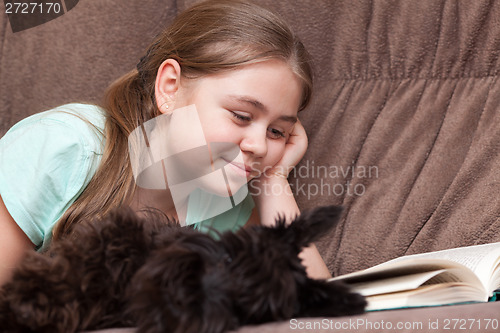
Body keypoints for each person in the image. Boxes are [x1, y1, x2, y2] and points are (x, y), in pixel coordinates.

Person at [0, 0, 331, 286]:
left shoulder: (227, 210)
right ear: (170, 87)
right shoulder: (66, 146)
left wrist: (273, 180)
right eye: (241, 116)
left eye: (277, 132)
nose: (259, 146)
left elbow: (318, 310)